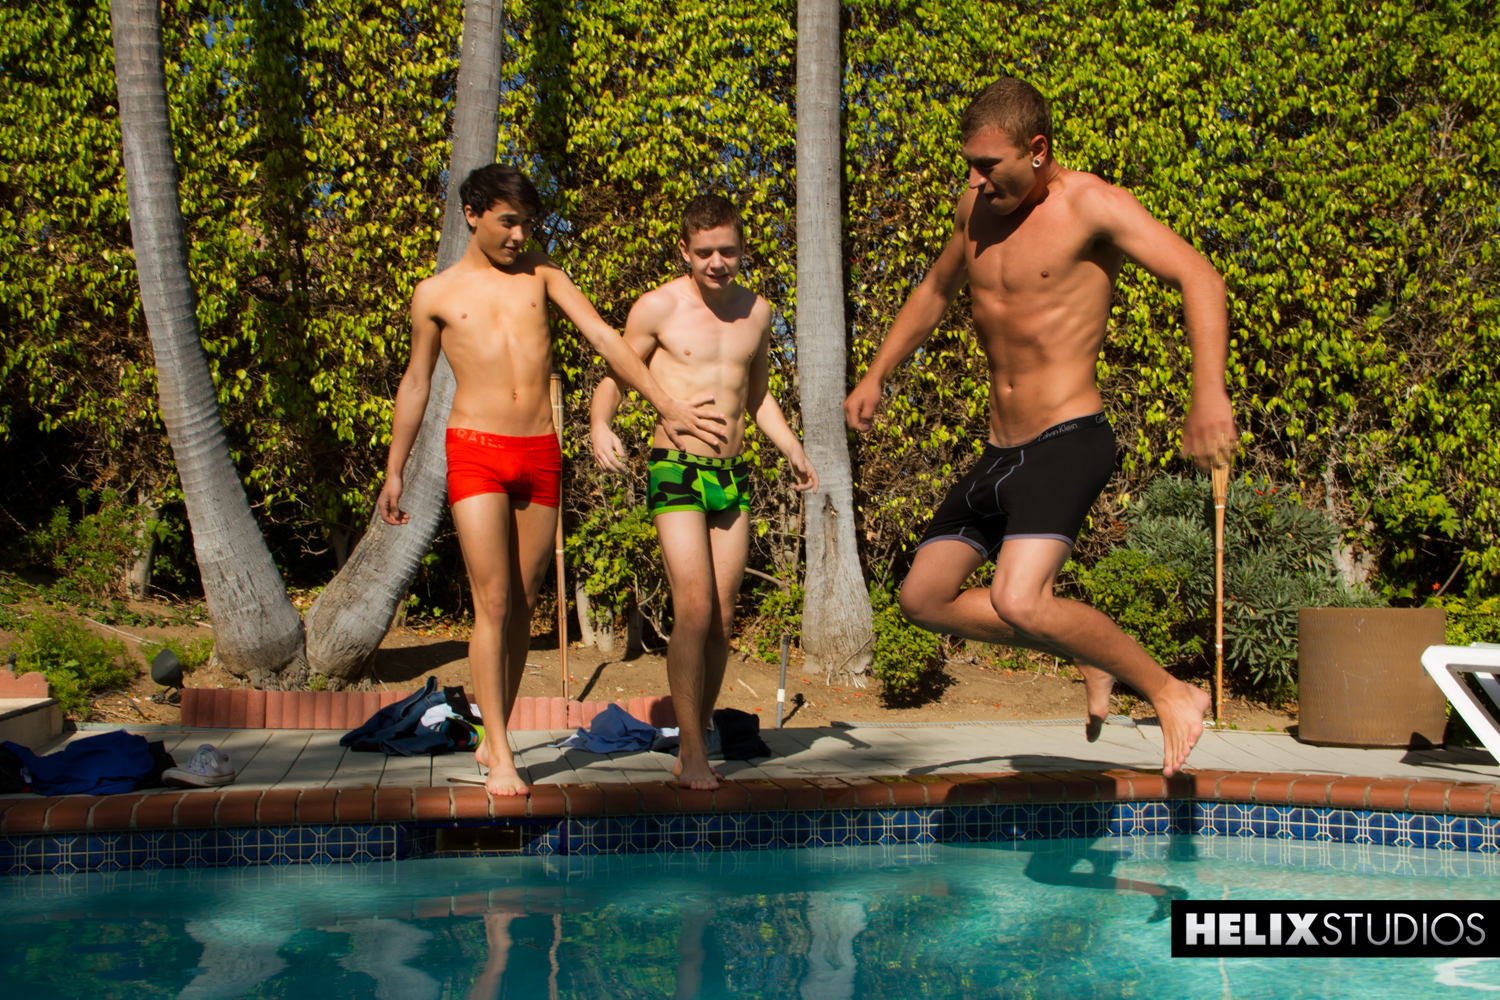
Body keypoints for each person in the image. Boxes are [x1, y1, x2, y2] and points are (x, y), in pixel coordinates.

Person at [843, 78, 1236, 777]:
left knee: (1018, 598)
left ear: (1037, 149)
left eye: (988, 164)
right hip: (1000, 451)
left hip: (1068, 438)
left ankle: (1170, 690)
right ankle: (1086, 650)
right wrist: (877, 373)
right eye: (969, 164)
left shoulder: (1093, 206)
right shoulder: (974, 210)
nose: (974, 179)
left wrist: (1208, 392)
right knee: (922, 598)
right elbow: (935, 290)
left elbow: (1199, 277)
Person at [378, 164, 725, 797]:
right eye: (508, 222)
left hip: (539, 451)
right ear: (472, 214)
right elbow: (417, 382)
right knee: (494, 601)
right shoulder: (434, 294)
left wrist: (664, 404)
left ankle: (494, 735)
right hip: (475, 449)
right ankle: (501, 752)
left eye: (527, 224)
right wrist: (394, 468)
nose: (519, 235)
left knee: (524, 601)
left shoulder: (543, 274)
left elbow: (603, 338)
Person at [591, 195, 818, 790]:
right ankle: (691, 749)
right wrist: (599, 423)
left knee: (721, 615)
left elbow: (757, 395)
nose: (718, 262)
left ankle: (702, 730)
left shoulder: (757, 312)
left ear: (742, 249)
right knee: (692, 608)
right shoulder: (658, 307)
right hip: (676, 468)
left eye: (728, 251)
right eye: (705, 252)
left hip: (731, 474)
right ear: (685, 251)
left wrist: (792, 447)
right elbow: (617, 374)